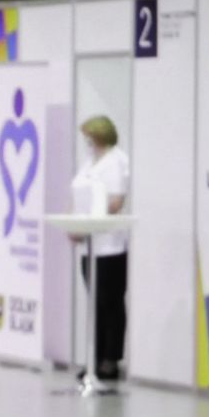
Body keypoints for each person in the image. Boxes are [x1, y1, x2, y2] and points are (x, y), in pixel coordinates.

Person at [70, 115, 130, 381]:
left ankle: (110, 359)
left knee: (110, 303)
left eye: (90, 137)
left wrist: (92, 222)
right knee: (95, 304)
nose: (88, 142)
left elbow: (116, 201)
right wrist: (75, 225)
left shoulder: (116, 160)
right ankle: (94, 358)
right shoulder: (89, 162)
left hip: (110, 247)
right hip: (89, 246)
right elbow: (78, 195)